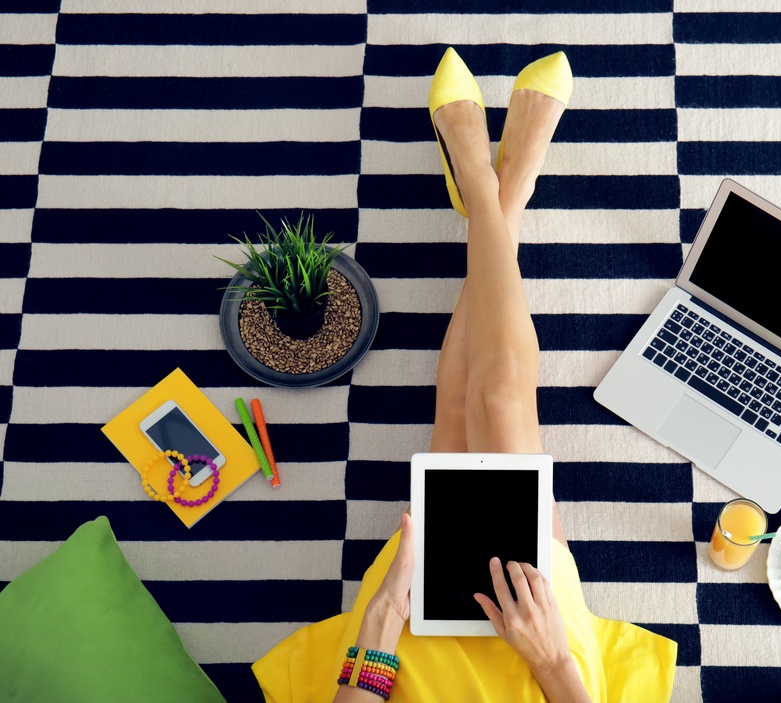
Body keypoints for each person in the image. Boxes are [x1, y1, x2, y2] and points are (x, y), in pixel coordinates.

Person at [253, 48, 677, 703]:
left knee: (454, 415)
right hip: (545, 666)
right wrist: (553, 660)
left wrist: (383, 620)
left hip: (399, 664)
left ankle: (491, 186)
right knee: (504, 400)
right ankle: (498, 189)